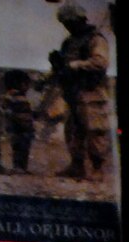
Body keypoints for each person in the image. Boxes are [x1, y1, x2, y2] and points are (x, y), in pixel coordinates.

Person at [49, 2, 111, 181]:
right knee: (73, 131)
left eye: (69, 22)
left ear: (78, 20)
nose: (67, 27)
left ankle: (97, 168)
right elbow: (63, 67)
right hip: (73, 92)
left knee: (95, 132)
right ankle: (77, 166)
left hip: (91, 92)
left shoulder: (96, 39)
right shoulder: (69, 42)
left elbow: (100, 62)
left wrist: (75, 65)